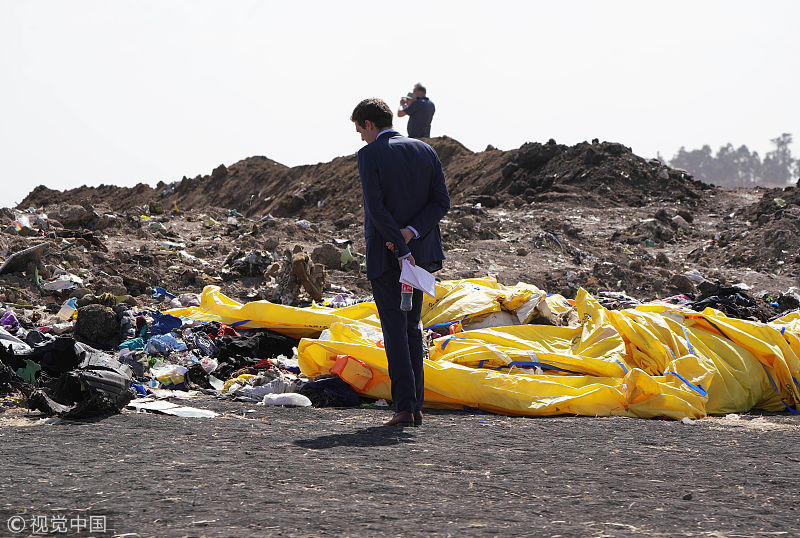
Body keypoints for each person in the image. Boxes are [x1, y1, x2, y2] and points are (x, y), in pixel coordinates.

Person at [350, 98, 450, 427]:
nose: (360, 137)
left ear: (369, 124)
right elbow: (440, 202)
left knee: (395, 329)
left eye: (359, 129)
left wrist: (397, 239)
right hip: (420, 255)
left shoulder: (370, 154)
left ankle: (405, 408)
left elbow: (376, 208)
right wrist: (412, 232)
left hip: (388, 254)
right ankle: (415, 406)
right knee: (412, 327)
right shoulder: (426, 151)